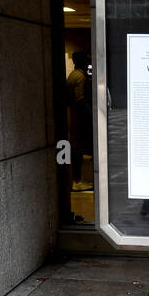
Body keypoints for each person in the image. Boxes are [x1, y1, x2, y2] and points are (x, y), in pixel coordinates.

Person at [66, 51, 92, 191]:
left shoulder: (72, 75)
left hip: (73, 117)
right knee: (78, 150)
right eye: (87, 60)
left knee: (77, 149)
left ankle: (76, 179)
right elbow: (80, 99)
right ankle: (77, 180)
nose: (89, 63)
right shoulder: (80, 77)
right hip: (79, 119)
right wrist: (90, 114)